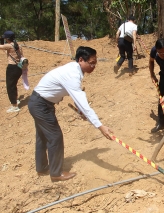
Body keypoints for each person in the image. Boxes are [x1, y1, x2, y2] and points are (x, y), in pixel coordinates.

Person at [28, 46, 114, 182]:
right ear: (81, 60)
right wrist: (100, 126)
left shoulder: (73, 70)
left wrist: (81, 111)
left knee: (42, 136)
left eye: (95, 63)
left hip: (39, 102)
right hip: (41, 105)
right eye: (91, 63)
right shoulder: (72, 75)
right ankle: (56, 173)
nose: (94, 66)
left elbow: (74, 97)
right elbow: (83, 103)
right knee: (55, 137)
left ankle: (42, 167)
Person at [0, 31, 24, 113]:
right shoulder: (18, 45)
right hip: (19, 67)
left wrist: (1, 40)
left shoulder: (8, 45)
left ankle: (14, 106)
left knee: (10, 87)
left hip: (12, 68)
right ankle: (16, 100)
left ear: (7, 38)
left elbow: (1, 47)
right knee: (14, 85)